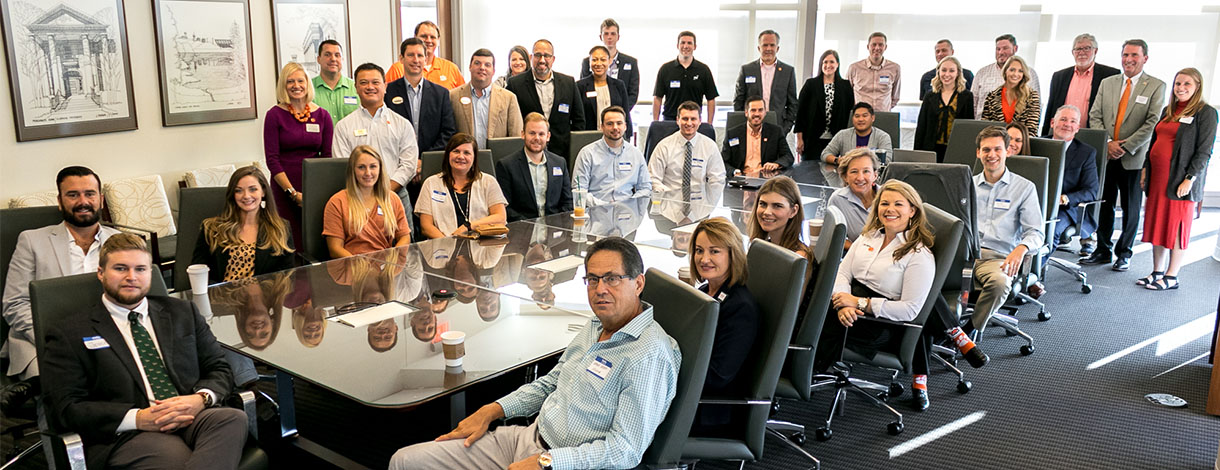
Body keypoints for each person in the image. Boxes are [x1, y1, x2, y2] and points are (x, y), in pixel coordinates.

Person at [388, 237, 680, 470]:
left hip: (565, 464)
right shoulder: (596, 324)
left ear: (638, 283)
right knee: (403, 461)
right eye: (592, 279)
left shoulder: (647, 355)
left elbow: (624, 450)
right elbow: (549, 384)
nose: (599, 289)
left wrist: (548, 463)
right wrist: (493, 410)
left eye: (612, 279)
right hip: (528, 437)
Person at [41, 234, 247, 470]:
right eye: (120, 268)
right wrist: (138, 418)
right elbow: (65, 408)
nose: (132, 277)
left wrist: (200, 399)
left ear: (150, 272)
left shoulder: (182, 312)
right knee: (175, 461)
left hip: (190, 413)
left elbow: (219, 367)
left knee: (233, 419)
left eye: (140, 269)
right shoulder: (69, 332)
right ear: (100, 272)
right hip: (130, 433)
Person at [1, 166, 120, 411]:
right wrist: (55, 339)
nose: (83, 201)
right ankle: (61, 447)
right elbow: (14, 304)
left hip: (108, 337)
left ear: (101, 199)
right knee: (59, 392)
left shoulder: (121, 242)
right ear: (60, 201)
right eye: (72, 195)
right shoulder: (32, 241)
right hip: (42, 341)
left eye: (90, 194)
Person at [816, 180, 937, 410]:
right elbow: (842, 272)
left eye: (898, 204)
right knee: (807, 309)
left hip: (879, 322)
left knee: (807, 322)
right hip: (849, 308)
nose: (889, 209)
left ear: (912, 210)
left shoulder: (919, 254)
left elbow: (910, 310)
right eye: (884, 203)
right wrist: (843, 302)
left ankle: (801, 373)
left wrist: (859, 303)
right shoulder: (869, 236)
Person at [1083, 39, 1166, 272]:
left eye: (1134, 55)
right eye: (1125, 55)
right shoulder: (1108, 83)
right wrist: (1108, 143)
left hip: (1133, 157)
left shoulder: (1156, 86)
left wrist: (1126, 146)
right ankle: (1102, 249)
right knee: (1105, 205)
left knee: (1131, 208)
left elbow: (1152, 122)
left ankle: (1125, 253)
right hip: (1107, 156)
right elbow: (1095, 115)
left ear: (1145, 58)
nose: (1128, 60)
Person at [1138, 68, 1217, 290]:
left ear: (1198, 87)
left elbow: (1204, 152)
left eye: (1186, 84)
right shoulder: (1168, 110)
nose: (1180, 88)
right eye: (1177, 84)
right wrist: (1146, 169)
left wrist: (1189, 179)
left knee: (1177, 227)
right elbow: (1153, 143)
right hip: (1158, 178)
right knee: (1158, 224)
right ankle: (1157, 271)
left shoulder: (1206, 113)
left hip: (1180, 182)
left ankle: (1172, 276)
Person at [967, 126, 1044, 335]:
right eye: (986, 150)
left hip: (998, 258)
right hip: (964, 255)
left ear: (1008, 151)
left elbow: (1036, 232)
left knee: (1000, 283)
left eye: (997, 149)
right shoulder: (967, 185)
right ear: (978, 153)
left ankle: (968, 331)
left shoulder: (1024, 188)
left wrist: (1021, 248)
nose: (991, 155)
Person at [687, 218, 759, 434]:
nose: (704, 259)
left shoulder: (740, 308)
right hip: (694, 393)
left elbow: (717, 377)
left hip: (709, 409)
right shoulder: (703, 291)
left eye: (714, 251)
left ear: (732, 254)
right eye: (699, 250)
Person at [333, 62, 419, 218]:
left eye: (375, 82)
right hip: (358, 199)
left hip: (396, 195)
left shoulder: (402, 124)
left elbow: (409, 164)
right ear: (356, 87)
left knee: (404, 242)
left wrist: (386, 191)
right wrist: (368, 194)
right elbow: (343, 164)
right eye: (363, 83)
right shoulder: (343, 126)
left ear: (385, 86)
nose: (370, 87)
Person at [264, 62, 333, 245]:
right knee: (289, 240)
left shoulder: (323, 116)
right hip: (284, 189)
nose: (296, 86)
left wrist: (313, 192)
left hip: (314, 189)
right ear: (283, 86)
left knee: (316, 239)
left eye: (300, 81)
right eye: (290, 81)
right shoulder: (274, 115)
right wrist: (292, 192)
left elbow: (326, 157)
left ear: (307, 83)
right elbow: (272, 160)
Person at [192, 166, 295, 283]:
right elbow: (198, 273)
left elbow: (287, 276)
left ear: (263, 191)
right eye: (238, 190)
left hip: (264, 298)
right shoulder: (211, 228)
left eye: (252, 189)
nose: (246, 196)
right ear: (233, 195)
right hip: (220, 298)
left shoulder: (280, 228)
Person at [323, 145, 412, 258]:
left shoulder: (392, 198)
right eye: (361, 167)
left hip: (385, 268)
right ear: (352, 170)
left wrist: (394, 259)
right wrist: (362, 267)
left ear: (380, 169)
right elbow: (335, 249)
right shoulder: (337, 202)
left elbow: (405, 236)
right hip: (352, 268)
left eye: (373, 166)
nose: (368, 173)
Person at [416, 134, 508, 238]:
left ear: (474, 158)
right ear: (448, 155)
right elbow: (426, 226)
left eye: (467, 153)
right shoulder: (431, 183)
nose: (461, 156)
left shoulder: (488, 181)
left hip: (483, 245)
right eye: (456, 151)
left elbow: (501, 217)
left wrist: (468, 226)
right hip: (444, 247)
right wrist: (448, 244)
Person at [505, 39, 586, 159]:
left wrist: (573, 148)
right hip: (526, 153)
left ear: (553, 59)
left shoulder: (569, 83)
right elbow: (510, 122)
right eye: (538, 55)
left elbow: (579, 121)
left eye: (546, 56)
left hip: (561, 154)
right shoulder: (515, 84)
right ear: (531, 57)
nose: (542, 60)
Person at [494, 113, 573, 221]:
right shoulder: (506, 166)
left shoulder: (560, 163)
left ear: (548, 136)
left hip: (555, 229)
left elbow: (567, 202)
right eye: (532, 133)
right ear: (523, 134)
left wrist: (556, 224)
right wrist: (530, 226)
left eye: (541, 134)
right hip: (522, 230)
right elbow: (505, 207)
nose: (537, 138)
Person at [1041, 33, 1121, 137]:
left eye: (1087, 48)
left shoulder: (1109, 75)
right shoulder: (1059, 76)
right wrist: (1044, 136)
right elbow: (1051, 108)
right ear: (1072, 53)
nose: (1081, 52)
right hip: (1063, 133)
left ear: (1095, 51)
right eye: (1078, 49)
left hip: (1092, 134)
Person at [386, 38, 458, 152]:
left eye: (420, 56)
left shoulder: (441, 94)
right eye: (410, 55)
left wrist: (426, 159)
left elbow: (448, 132)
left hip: (431, 162)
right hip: (397, 159)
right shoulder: (388, 92)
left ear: (425, 59)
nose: (416, 60)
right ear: (401, 59)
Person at [572, 106, 651, 206]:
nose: (615, 127)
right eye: (609, 124)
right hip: (596, 213)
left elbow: (645, 188)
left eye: (619, 123)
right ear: (602, 127)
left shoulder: (636, 154)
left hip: (627, 214)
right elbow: (579, 190)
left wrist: (629, 204)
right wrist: (605, 206)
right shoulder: (587, 154)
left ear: (625, 126)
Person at [450, 49, 524, 149]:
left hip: (497, 161)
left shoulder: (509, 98)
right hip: (464, 161)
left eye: (487, 65)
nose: (482, 68)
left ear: (493, 71)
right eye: (477, 63)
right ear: (470, 67)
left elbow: (516, 137)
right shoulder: (453, 96)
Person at [649, 101, 727, 192]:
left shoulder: (710, 146)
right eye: (685, 119)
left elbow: (718, 179)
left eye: (693, 119)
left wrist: (709, 199)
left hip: (699, 201)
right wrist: (669, 194)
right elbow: (653, 179)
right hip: (669, 200)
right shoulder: (664, 146)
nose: (689, 123)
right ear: (678, 120)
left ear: (700, 121)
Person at [733, 30, 798, 134]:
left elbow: (793, 103)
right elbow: (738, 100)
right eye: (765, 45)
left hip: (777, 126)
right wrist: (744, 124)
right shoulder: (747, 70)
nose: (768, 49)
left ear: (777, 48)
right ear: (759, 48)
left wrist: (785, 128)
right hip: (751, 126)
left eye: (772, 45)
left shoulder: (788, 71)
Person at [795, 50, 854, 164]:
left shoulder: (846, 86)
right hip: (812, 138)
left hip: (837, 139)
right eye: (825, 62)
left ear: (837, 65)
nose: (828, 65)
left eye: (832, 62)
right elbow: (800, 113)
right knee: (810, 172)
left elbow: (849, 113)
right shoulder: (811, 84)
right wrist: (799, 139)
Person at [915, 56, 975, 161]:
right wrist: (917, 153)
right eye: (943, 70)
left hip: (956, 149)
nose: (947, 74)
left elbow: (968, 127)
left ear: (958, 73)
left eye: (951, 71)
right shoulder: (930, 96)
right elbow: (921, 126)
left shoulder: (967, 96)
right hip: (930, 149)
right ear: (938, 72)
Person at [820, 102, 893, 187]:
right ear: (853, 118)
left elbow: (887, 160)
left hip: (872, 182)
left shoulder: (883, 137)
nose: (860, 119)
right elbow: (825, 154)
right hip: (848, 181)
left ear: (872, 118)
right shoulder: (842, 134)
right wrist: (838, 160)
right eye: (857, 116)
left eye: (865, 116)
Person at [653, 31, 718, 122]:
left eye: (689, 43)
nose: (686, 46)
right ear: (677, 46)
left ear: (695, 47)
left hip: (693, 122)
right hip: (670, 120)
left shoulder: (703, 70)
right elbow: (658, 97)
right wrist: (656, 122)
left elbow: (711, 99)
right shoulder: (666, 69)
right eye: (682, 43)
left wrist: (709, 124)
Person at [580, 18, 640, 116]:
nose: (609, 37)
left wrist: (619, 113)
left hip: (620, 114)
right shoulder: (588, 62)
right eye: (606, 34)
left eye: (613, 34)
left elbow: (633, 93)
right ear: (601, 37)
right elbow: (584, 88)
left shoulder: (631, 62)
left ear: (618, 37)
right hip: (593, 113)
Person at [971, 34, 1042, 118]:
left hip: (1018, 127)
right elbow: (973, 103)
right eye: (998, 49)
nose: (1001, 52)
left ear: (1015, 48)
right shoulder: (982, 73)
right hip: (986, 126)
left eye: (1005, 48)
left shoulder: (1030, 73)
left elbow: (1036, 107)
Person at [721, 95, 793, 176]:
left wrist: (776, 164)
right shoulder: (733, 134)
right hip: (741, 179)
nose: (757, 114)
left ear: (765, 112)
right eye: (753, 110)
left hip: (766, 179)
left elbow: (788, 156)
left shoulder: (776, 132)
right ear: (746, 112)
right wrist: (734, 171)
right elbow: (723, 161)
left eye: (760, 110)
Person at [386, 21, 465, 90]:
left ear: (438, 40)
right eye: (424, 36)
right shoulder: (398, 68)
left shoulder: (451, 68)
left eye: (432, 37)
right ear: (415, 37)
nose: (428, 40)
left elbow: (462, 96)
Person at [825, 148, 880, 243]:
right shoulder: (837, 199)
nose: (860, 178)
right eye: (854, 172)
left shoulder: (889, 196)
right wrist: (857, 250)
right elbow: (832, 236)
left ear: (875, 175)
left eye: (866, 171)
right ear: (845, 177)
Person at [576, 45, 632, 138]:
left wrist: (627, 136)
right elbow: (578, 117)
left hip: (614, 136)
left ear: (609, 61)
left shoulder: (619, 85)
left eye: (603, 59)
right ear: (589, 62)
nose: (598, 63)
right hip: (589, 136)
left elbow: (625, 112)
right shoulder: (580, 86)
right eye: (594, 60)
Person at [748, 176, 808, 257]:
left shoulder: (798, 256)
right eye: (763, 204)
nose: (767, 212)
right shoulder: (762, 247)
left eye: (777, 206)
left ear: (793, 211)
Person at [981, 56, 1041, 132]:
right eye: (1012, 70)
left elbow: (1032, 129)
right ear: (1005, 71)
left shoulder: (1032, 96)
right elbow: (985, 126)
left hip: (1020, 142)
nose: (1016, 74)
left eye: (1020, 71)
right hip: (997, 141)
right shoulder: (992, 96)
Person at [847, 32, 901, 112]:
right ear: (868, 46)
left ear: (885, 47)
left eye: (880, 45)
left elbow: (895, 97)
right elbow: (847, 94)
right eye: (874, 44)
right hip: (861, 117)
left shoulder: (895, 68)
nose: (877, 48)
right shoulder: (854, 68)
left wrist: (884, 108)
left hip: (883, 116)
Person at [312, 39, 357, 123]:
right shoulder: (308, 88)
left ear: (342, 59)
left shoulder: (356, 88)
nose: (333, 59)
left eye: (337, 55)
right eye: (327, 55)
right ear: (318, 59)